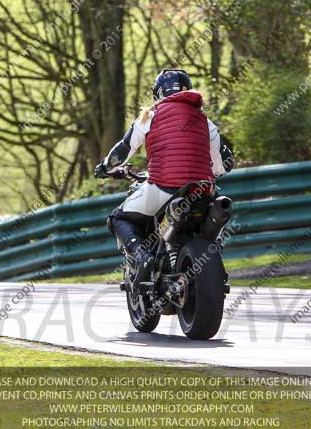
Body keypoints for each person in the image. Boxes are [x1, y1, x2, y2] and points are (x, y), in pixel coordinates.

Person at [94, 69, 234, 280]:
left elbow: (122, 151)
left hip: (163, 187)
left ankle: (142, 257)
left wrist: (106, 168)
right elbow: (225, 165)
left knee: (117, 218)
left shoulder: (149, 116)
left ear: (158, 94)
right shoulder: (205, 121)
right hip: (203, 190)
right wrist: (209, 170)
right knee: (215, 216)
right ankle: (216, 262)